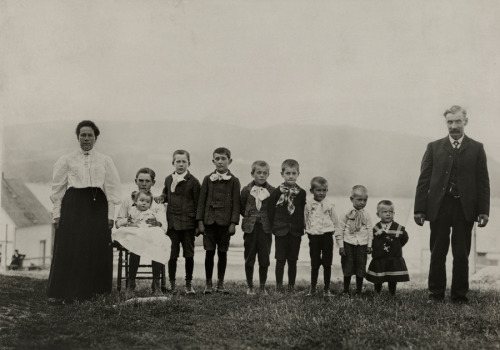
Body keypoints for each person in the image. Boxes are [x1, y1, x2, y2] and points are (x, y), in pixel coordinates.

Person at [414, 105, 490, 304]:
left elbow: (483, 182)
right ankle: (435, 295)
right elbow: (424, 180)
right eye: (450, 122)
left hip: (465, 208)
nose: (454, 126)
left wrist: (483, 211)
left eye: (458, 121)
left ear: (466, 121)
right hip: (439, 207)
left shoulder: (477, 147)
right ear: (446, 123)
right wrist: (420, 209)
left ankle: (459, 296)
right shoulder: (434, 147)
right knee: (437, 252)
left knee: (461, 254)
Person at [48, 120, 122, 304]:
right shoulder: (66, 159)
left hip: (97, 206)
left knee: (94, 247)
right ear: (78, 137)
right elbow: (57, 190)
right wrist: (57, 214)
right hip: (73, 205)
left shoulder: (105, 160)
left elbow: (113, 190)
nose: (86, 139)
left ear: (96, 138)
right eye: (83, 135)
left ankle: (92, 292)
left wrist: (110, 216)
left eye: (90, 135)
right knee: (70, 246)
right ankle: (63, 292)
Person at [115, 168, 167, 294]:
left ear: (153, 183)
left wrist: (158, 223)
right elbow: (118, 222)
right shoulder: (128, 200)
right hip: (134, 236)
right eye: (141, 180)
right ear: (136, 181)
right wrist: (127, 221)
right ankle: (131, 282)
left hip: (151, 237)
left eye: (147, 181)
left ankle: (156, 283)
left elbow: (164, 226)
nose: (144, 184)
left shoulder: (157, 202)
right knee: (136, 243)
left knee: (158, 243)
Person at [197, 147, 241, 294]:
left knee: (222, 253)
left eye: (223, 159)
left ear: (230, 161)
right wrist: (200, 222)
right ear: (213, 161)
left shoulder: (234, 181)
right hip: (209, 223)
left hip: (225, 224)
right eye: (217, 159)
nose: (220, 162)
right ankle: (208, 284)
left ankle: (220, 284)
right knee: (209, 253)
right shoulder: (207, 179)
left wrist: (233, 223)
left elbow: (236, 204)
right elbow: (201, 202)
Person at [157, 150, 201, 295]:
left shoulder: (194, 182)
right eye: (178, 161)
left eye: (184, 162)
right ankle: (173, 284)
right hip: (173, 224)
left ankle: (189, 285)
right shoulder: (168, 179)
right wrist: (162, 197)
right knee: (172, 255)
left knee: (189, 254)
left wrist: (197, 224)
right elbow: (166, 195)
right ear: (173, 163)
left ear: (189, 163)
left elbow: (198, 204)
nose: (181, 164)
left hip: (188, 224)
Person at [267, 159, 306, 293]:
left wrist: (302, 227)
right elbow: (271, 211)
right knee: (280, 259)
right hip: (280, 231)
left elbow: (302, 212)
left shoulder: (302, 193)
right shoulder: (276, 192)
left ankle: (291, 286)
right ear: (282, 174)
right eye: (287, 173)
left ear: (298, 174)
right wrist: (274, 227)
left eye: (293, 173)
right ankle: (279, 286)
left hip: (295, 231)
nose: (290, 176)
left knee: (293, 260)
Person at [240, 160, 275, 295]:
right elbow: (242, 208)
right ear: (252, 174)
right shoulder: (246, 190)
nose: (261, 175)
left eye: (264, 173)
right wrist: (251, 218)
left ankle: (262, 287)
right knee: (249, 257)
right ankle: (250, 286)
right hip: (250, 229)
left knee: (264, 258)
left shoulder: (272, 191)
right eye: (258, 172)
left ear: (268, 174)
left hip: (266, 230)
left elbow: (274, 210)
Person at [335, 185, 373, 296]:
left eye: (365, 200)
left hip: (362, 245)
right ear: (352, 199)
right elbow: (339, 230)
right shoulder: (346, 214)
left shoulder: (366, 215)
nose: (362, 202)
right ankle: (346, 290)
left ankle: (359, 291)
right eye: (359, 199)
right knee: (347, 267)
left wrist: (369, 245)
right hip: (348, 244)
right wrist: (341, 246)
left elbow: (370, 231)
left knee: (361, 268)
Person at [304, 177, 338, 297]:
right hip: (314, 237)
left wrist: (335, 234)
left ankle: (326, 289)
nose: (321, 193)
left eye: (324, 190)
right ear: (312, 190)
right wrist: (307, 231)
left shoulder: (330, 205)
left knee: (327, 263)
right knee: (314, 262)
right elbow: (305, 219)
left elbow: (336, 221)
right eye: (318, 190)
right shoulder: (308, 204)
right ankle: (312, 288)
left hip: (327, 236)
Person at [366, 200, 409, 295]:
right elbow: (371, 241)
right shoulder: (375, 229)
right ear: (378, 214)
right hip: (380, 257)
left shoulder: (399, 228)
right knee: (378, 277)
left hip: (393, 257)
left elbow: (404, 239)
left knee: (392, 277)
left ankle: (392, 293)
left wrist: (396, 246)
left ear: (394, 213)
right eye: (385, 212)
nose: (388, 214)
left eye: (391, 212)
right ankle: (377, 292)